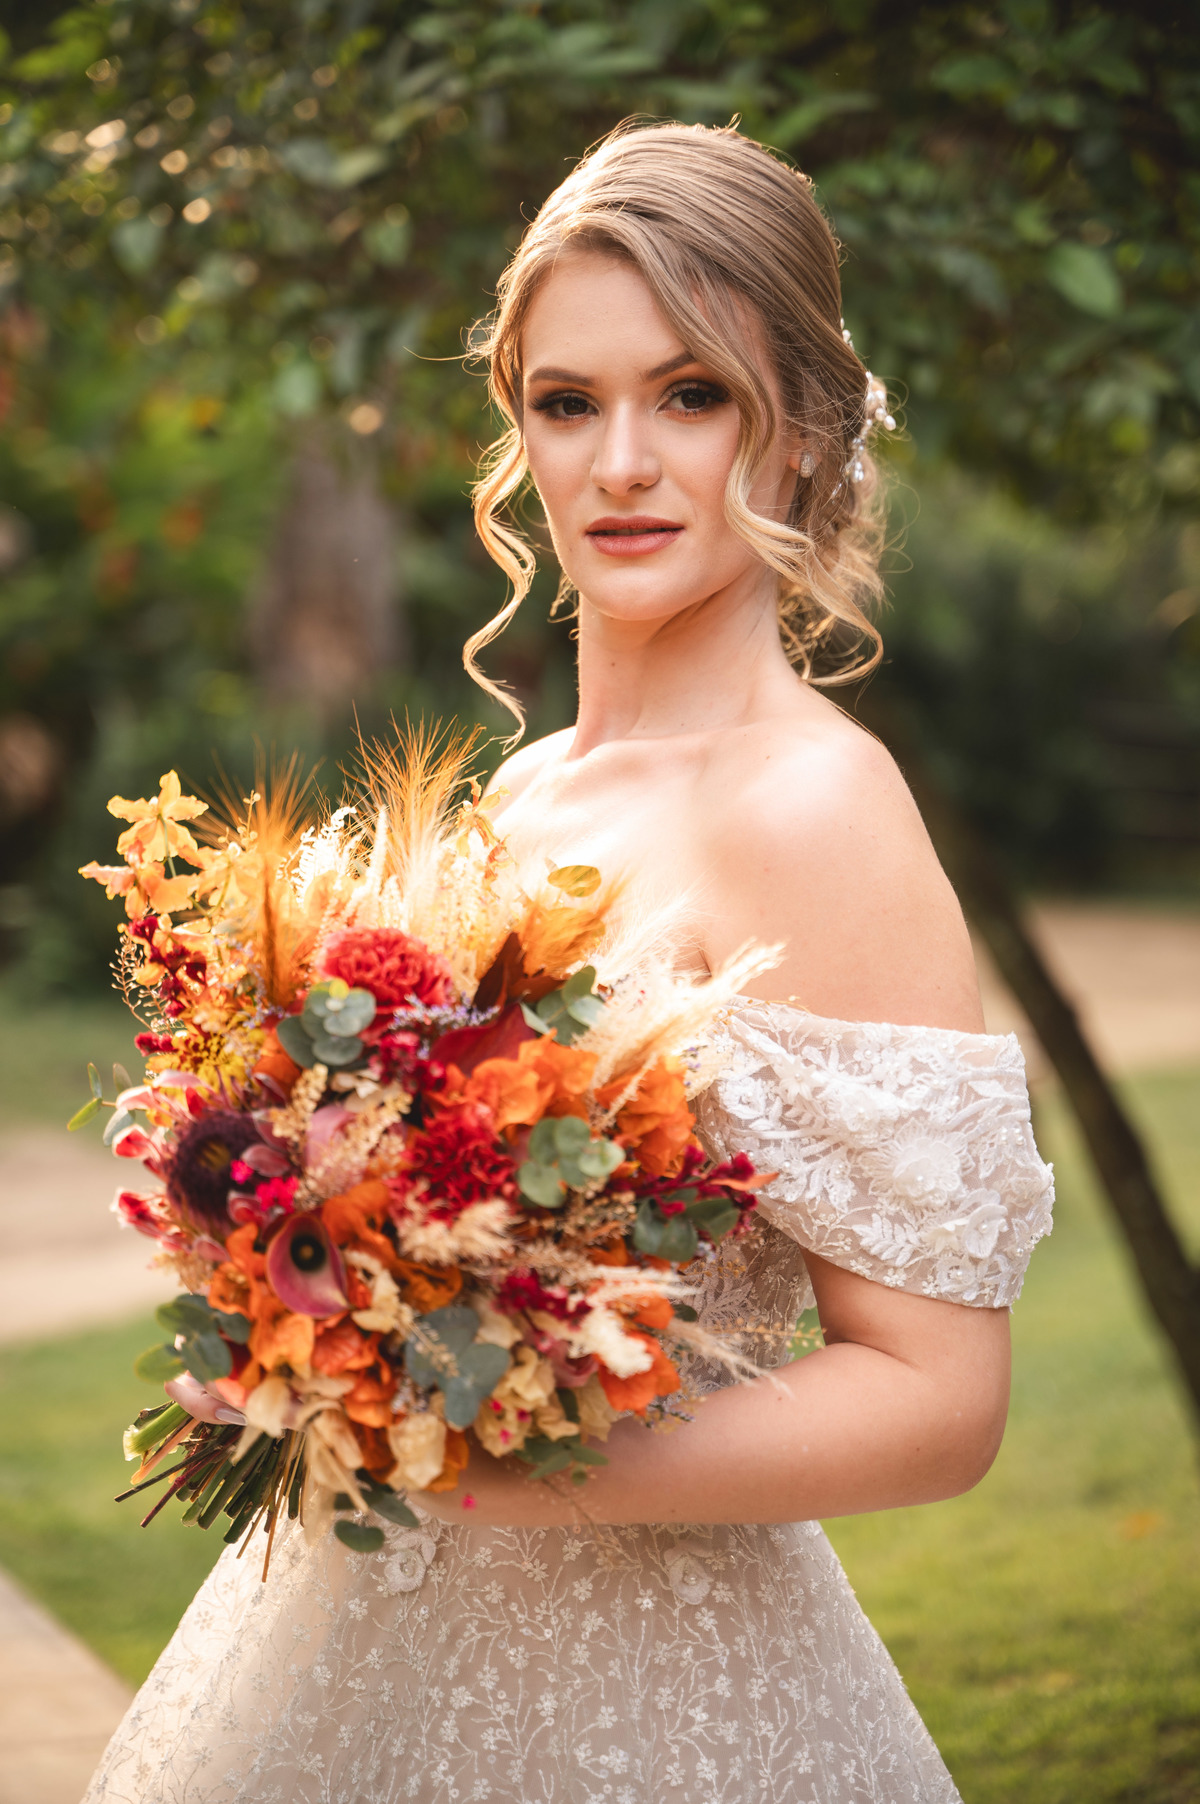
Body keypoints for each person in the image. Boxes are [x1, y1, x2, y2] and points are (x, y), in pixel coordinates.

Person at [85, 122, 1053, 1804]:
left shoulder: (818, 807)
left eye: (692, 396)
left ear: (806, 429)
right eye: (566, 400)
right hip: (349, 1629)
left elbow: (939, 1399)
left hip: (658, 1699)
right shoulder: (525, 791)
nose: (620, 463)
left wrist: (484, 1455)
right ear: (516, 428)